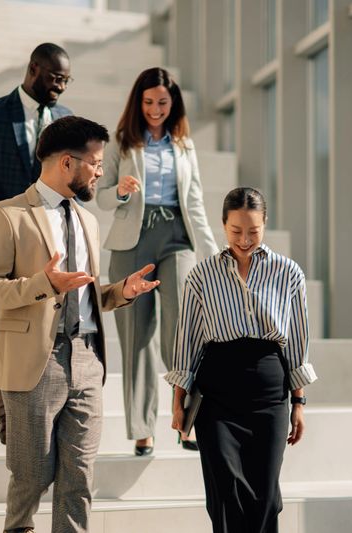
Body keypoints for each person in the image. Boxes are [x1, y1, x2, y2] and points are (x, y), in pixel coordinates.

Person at [0, 116, 159, 533]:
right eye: (94, 163)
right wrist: (42, 284)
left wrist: (121, 293)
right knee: (30, 477)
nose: (99, 171)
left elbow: (86, 296)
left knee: (80, 480)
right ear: (67, 164)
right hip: (35, 362)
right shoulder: (7, 216)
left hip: (88, 358)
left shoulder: (88, 221)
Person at [166, 187, 317, 533]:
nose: (245, 239)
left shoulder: (289, 273)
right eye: (236, 231)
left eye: (253, 230)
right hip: (216, 396)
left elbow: (297, 341)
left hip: (269, 394)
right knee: (225, 492)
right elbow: (187, 340)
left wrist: (299, 403)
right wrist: (178, 401)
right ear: (223, 225)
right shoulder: (202, 276)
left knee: (265, 496)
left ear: (265, 223)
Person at [0, 42, 73, 444]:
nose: (60, 88)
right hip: (5, 235)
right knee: (8, 317)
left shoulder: (65, 119)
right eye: (56, 78)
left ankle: (39, 398)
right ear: (34, 69)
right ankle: (7, 410)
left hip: (50, 237)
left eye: (66, 81)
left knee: (35, 321)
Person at [96, 67, 218, 455]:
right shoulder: (120, 142)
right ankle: (142, 429)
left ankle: (186, 417)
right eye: (148, 102)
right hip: (132, 239)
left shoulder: (184, 146)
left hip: (176, 238)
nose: (154, 109)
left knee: (182, 329)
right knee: (136, 338)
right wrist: (121, 190)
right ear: (138, 102)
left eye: (162, 102)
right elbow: (99, 197)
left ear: (173, 103)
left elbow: (194, 201)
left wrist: (212, 253)